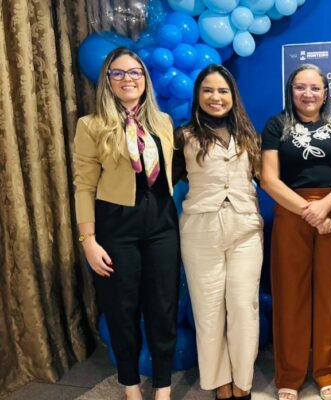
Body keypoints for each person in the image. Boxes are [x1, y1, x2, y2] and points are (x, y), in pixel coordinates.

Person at [73, 48, 178, 400]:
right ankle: (131, 387)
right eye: (117, 73)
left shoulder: (162, 121)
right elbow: (84, 186)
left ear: (144, 78)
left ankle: (162, 388)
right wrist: (88, 239)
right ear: (107, 80)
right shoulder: (90, 126)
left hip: (162, 224)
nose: (127, 79)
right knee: (122, 310)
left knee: (163, 307)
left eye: (134, 72)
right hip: (116, 226)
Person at [260, 64, 331, 400]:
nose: (308, 94)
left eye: (315, 88)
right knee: (290, 293)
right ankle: (289, 374)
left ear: (325, 92)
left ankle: (328, 370)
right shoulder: (277, 125)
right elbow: (268, 179)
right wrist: (309, 211)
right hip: (292, 211)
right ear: (291, 91)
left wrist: (324, 207)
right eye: (300, 87)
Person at [172, 64, 263, 400]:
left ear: (232, 95)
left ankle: (243, 384)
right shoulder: (183, 136)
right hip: (200, 232)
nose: (215, 97)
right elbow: (167, 181)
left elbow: (267, 178)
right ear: (198, 95)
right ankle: (220, 386)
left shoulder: (249, 135)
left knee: (243, 307)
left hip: (245, 231)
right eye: (208, 90)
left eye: (223, 91)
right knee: (208, 312)